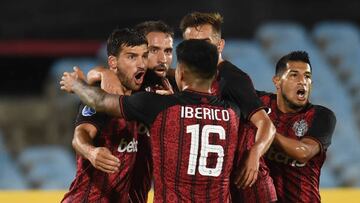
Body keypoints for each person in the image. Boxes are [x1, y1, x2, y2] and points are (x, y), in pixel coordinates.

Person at [61, 39, 242, 202]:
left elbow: (99, 101)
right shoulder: (233, 112)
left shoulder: (160, 106)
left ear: (181, 73)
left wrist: (77, 84)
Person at [179, 12, 277, 202]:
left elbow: (267, 126)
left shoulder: (233, 79)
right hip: (223, 186)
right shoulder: (191, 80)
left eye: (205, 42)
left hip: (250, 186)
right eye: (192, 43)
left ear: (220, 45)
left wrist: (254, 154)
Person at [61, 28, 148, 203]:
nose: (141, 64)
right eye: (132, 57)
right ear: (113, 62)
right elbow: (80, 135)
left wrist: (99, 71)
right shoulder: (99, 97)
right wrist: (91, 152)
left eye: (144, 56)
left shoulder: (139, 95)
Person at [259, 51, 336, 202]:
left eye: (307, 76)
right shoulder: (261, 103)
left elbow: (304, 152)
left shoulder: (321, 116)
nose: (303, 81)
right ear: (277, 81)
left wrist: (265, 131)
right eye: (294, 75)